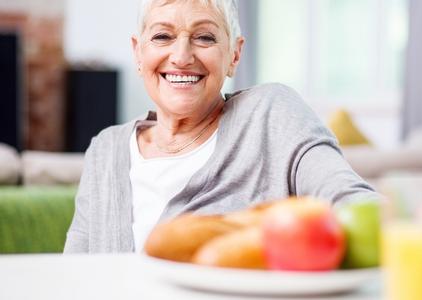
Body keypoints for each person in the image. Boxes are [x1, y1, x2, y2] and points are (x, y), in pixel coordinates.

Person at [64, 0, 378, 253]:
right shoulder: (105, 149)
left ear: (234, 54)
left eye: (204, 37)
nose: (182, 56)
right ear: (138, 51)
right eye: (162, 36)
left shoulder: (270, 113)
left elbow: (351, 200)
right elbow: (73, 276)